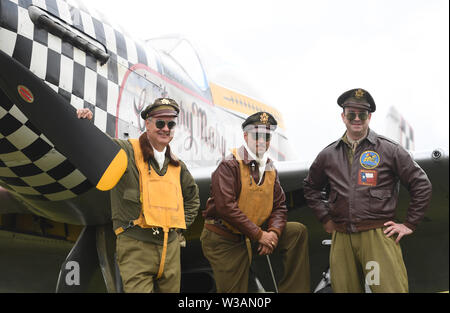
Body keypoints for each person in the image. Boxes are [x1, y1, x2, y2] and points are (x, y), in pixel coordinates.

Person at [303, 88, 432, 293]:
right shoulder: (328, 155)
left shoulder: (389, 150)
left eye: (362, 114)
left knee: (389, 290)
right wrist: (325, 219)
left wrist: (409, 224)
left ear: (369, 116)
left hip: (377, 236)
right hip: (342, 238)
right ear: (343, 116)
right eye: (351, 114)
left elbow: (421, 184)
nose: (356, 119)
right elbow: (310, 187)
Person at [77, 98, 200, 293]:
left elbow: (193, 198)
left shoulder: (177, 165)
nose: (166, 128)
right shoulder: (127, 151)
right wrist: (85, 125)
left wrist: (179, 227)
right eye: (160, 123)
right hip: (136, 247)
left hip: (170, 249)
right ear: (148, 124)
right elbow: (101, 146)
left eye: (171, 124)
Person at [200, 111, 310, 293]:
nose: (261, 141)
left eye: (266, 136)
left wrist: (273, 233)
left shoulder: (269, 167)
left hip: (251, 233)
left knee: (296, 232)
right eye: (256, 135)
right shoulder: (229, 165)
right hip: (225, 238)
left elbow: (279, 206)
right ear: (245, 136)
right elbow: (226, 208)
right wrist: (260, 236)